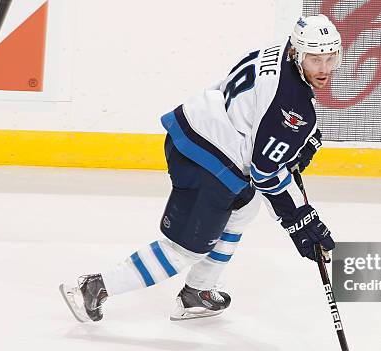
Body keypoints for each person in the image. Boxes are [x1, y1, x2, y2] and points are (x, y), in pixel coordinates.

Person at [59, 14, 341, 322]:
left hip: (198, 132)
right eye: (315, 59)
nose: (324, 69)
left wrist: (290, 145)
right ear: (298, 54)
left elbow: (258, 115)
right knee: (184, 250)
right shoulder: (294, 104)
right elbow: (265, 172)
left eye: (331, 58)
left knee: (244, 207)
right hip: (209, 160)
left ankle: (198, 292)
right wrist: (301, 221)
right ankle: (94, 287)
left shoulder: (277, 53)